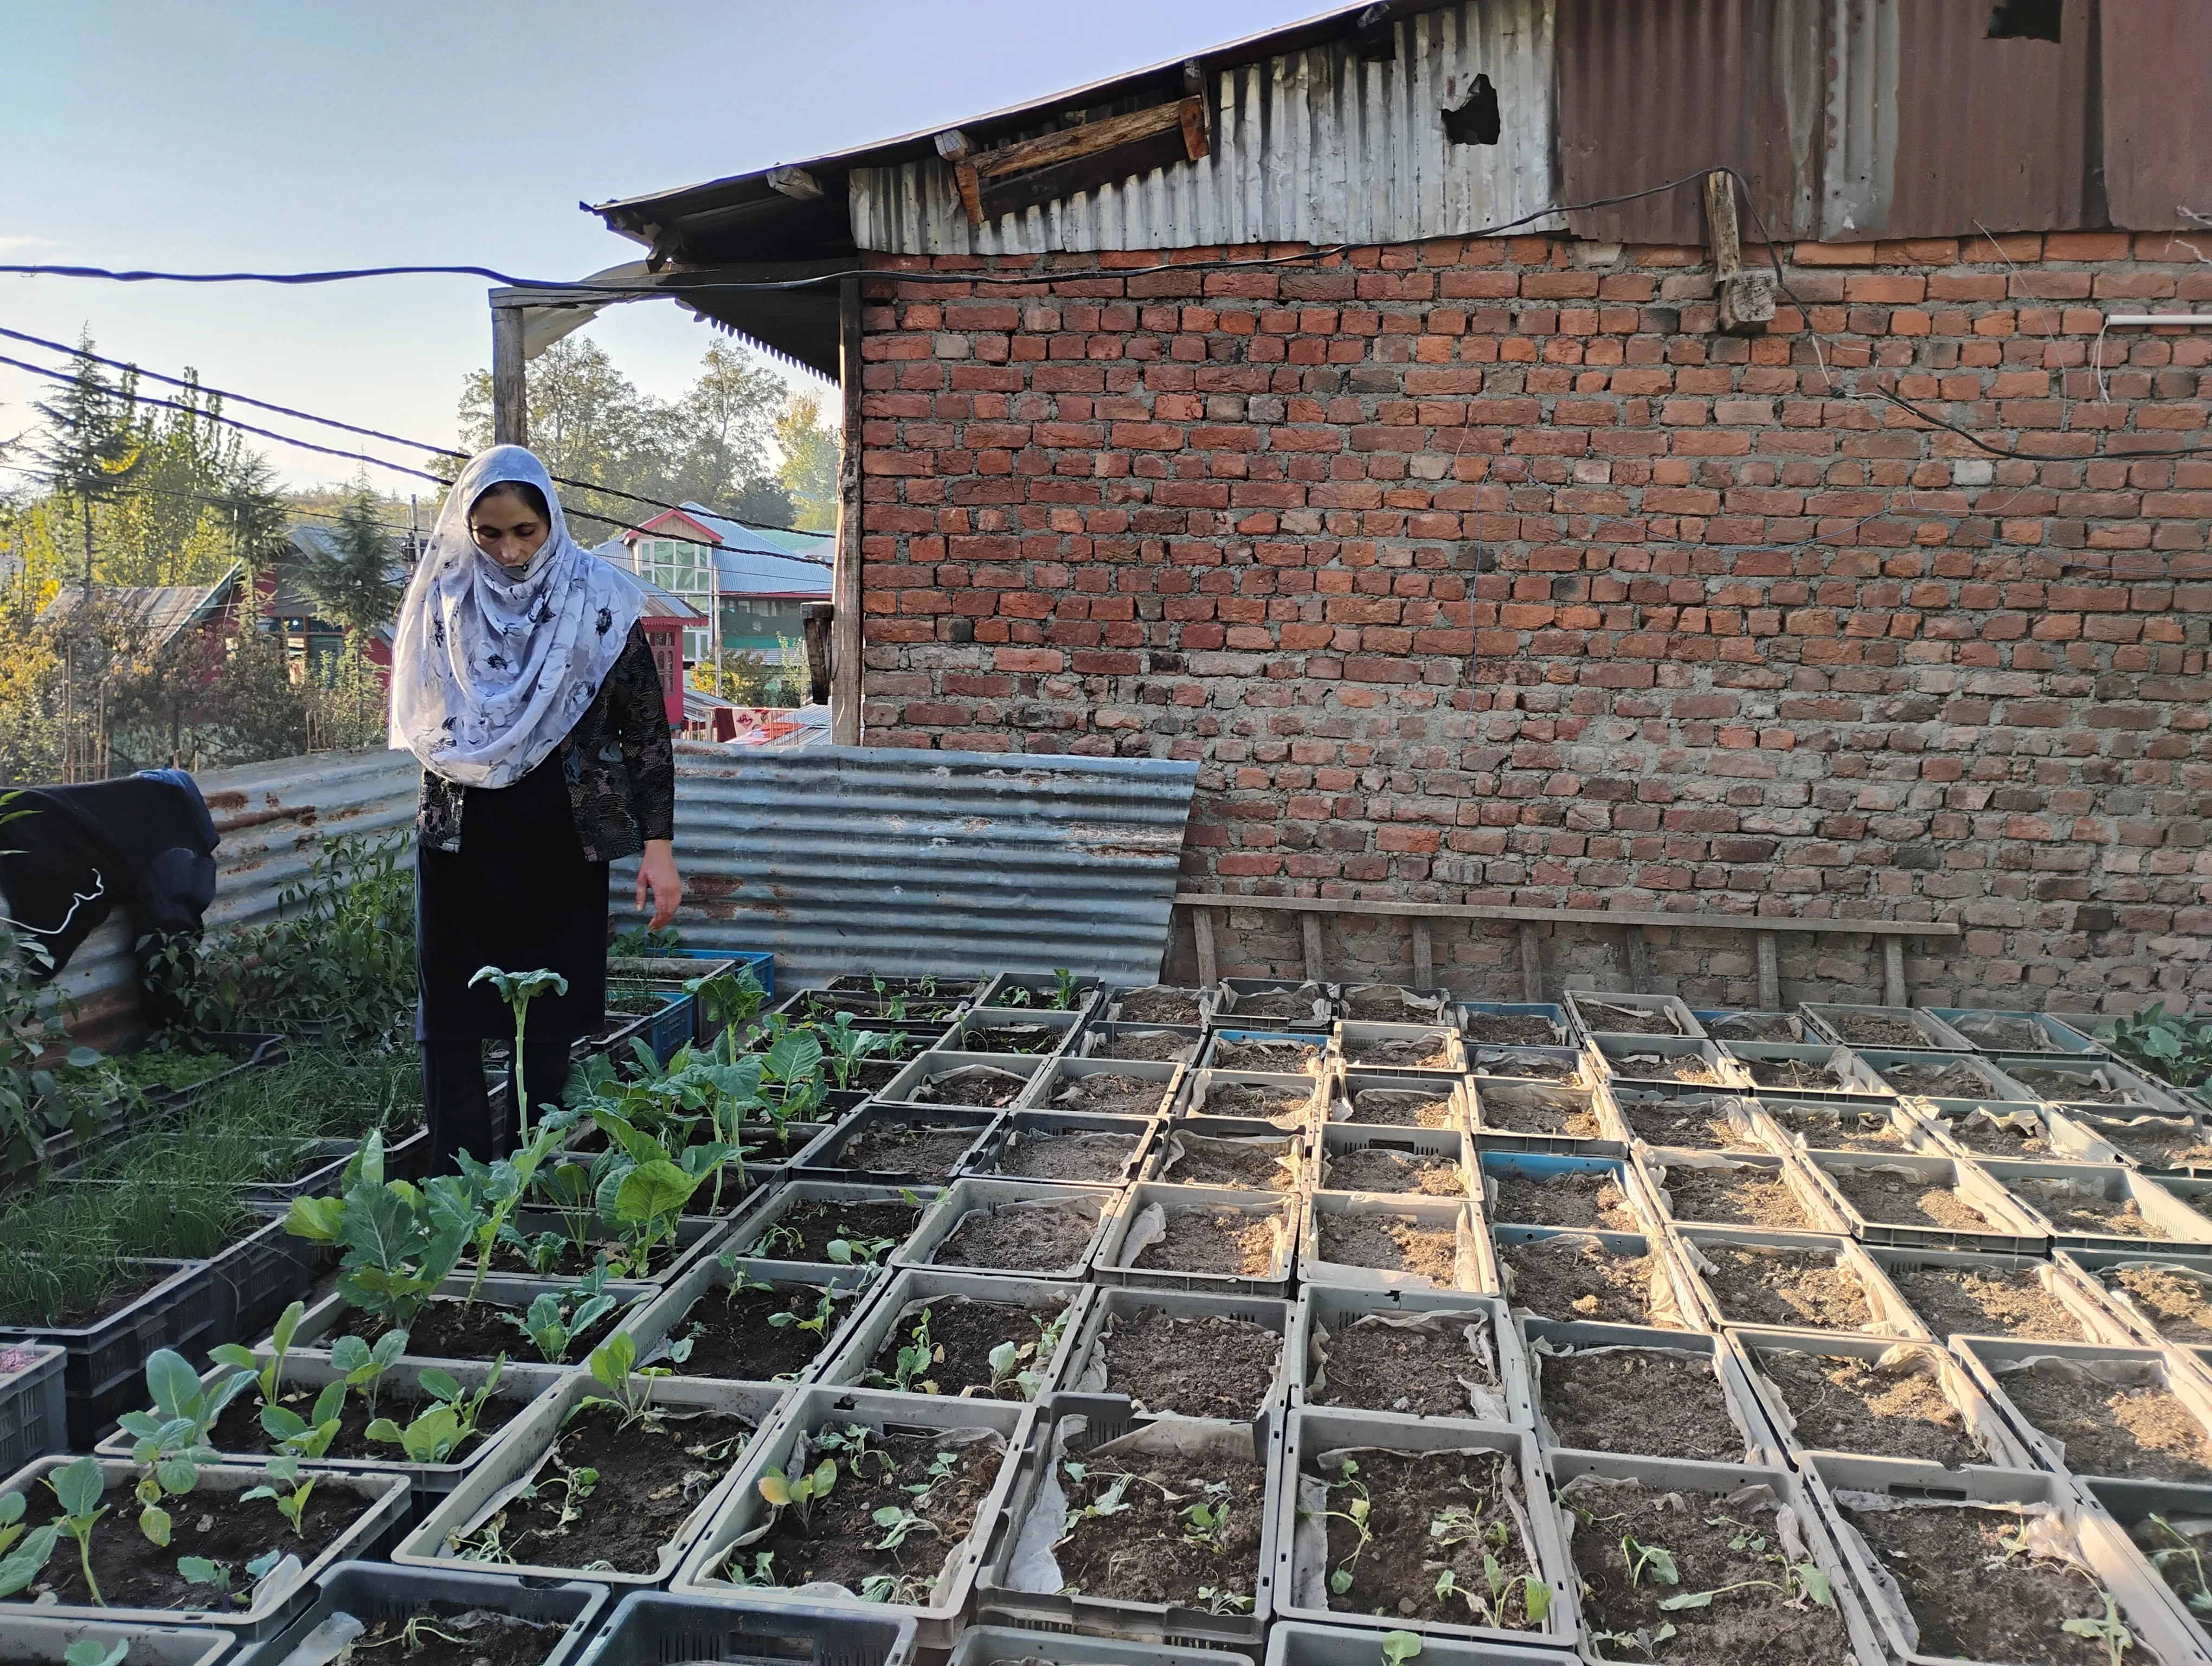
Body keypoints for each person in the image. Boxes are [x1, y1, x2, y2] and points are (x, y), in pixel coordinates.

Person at [389, 445, 683, 1171]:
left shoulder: (601, 601)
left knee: (546, 1017)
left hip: (561, 834)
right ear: (467, 526)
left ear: (551, 519)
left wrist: (659, 847)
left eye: (525, 531)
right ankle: (455, 1189)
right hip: (459, 834)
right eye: (489, 533)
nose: (510, 550)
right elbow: (424, 715)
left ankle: (527, 1176)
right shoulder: (443, 596)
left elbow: (644, 732)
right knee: (451, 1018)